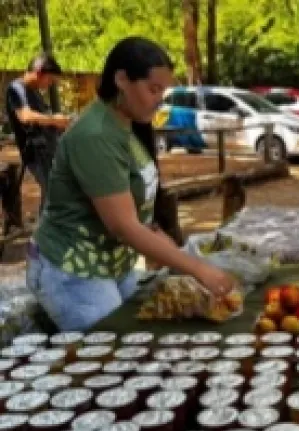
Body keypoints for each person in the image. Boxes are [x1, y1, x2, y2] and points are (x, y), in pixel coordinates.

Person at [26, 37, 234, 331]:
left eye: (164, 90)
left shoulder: (127, 127)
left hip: (111, 262)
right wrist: (197, 268)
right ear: (121, 79)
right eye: (153, 89)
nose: (160, 99)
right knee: (112, 360)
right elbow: (124, 226)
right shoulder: (95, 135)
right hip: (73, 270)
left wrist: (181, 260)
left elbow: (141, 219)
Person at [5, 53, 71, 200]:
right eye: (50, 80)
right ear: (39, 72)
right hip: (36, 152)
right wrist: (53, 120)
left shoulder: (34, 91)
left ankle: (47, 222)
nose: (50, 85)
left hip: (48, 149)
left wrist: (61, 123)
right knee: (51, 195)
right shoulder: (16, 89)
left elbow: (43, 118)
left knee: (54, 193)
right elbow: (25, 116)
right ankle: (46, 223)